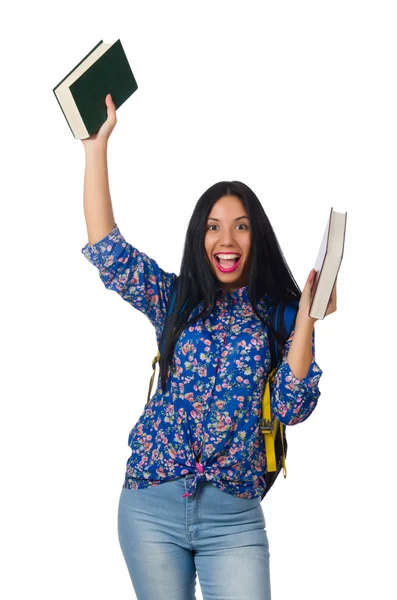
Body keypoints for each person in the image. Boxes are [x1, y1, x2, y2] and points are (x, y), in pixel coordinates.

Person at [80, 94, 337, 600]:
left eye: (240, 226)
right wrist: (95, 148)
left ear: (256, 236)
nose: (227, 239)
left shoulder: (278, 315)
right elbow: (109, 252)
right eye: (213, 227)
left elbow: (291, 405)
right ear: (199, 237)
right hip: (149, 503)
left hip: (233, 517)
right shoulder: (176, 300)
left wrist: (307, 317)